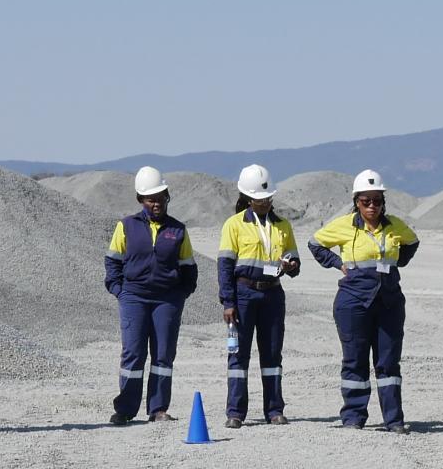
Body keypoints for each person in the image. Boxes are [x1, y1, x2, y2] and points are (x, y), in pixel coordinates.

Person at [310, 170, 419, 431]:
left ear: (383, 202)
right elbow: (315, 244)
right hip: (353, 301)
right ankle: (353, 417)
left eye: (377, 200)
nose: (372, 206)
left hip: (389, 301)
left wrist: (397, 263)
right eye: (366, 201)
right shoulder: (345, 225)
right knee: (355, 360)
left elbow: (412, 243)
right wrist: (338, 264)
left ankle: (393, 420)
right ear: (356, 202)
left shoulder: (395, 226)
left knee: (388, 362)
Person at [103, 166, 201, 426]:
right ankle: (125, 409)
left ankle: (158, 408)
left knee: (163, 355)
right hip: (133, 297)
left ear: (167, 196)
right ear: (141, 200)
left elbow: (189, 267)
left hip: (167, 300)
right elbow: (112, 262)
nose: (157, 203)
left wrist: (180, 295)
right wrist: (119, 292)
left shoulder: (178, 230)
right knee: (133, 354)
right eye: (151, 199)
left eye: (161, 197)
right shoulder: (126, 226)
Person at [216, 163, 299, 427]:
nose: (264, 202)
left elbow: (294, 260)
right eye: (259, 199)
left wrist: (291, 265)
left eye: (267, 198)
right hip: (243, 295)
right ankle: (235, 412)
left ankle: (274, 409)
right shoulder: (234, 225)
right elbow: (225, 266)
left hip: (273, 295)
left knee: (272, 355)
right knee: (237, 353)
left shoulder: (283, 225)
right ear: (247, 198)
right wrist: (228, 302)